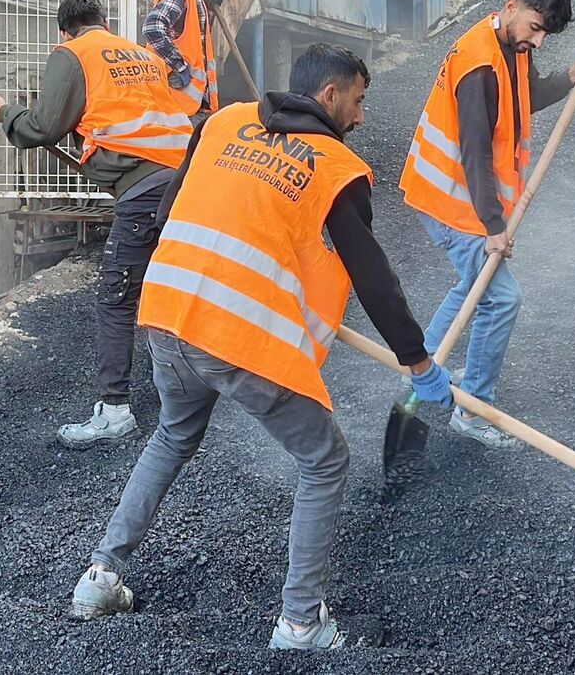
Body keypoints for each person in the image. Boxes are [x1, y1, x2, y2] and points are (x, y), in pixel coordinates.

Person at [66, 44, 454, 652]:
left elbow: (173, 209)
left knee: (172, 434)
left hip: (167, 312)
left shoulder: (222, 122)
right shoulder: (334, 165)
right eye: (358, 100)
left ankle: (100, 576)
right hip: (236, 334)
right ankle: (301, 622)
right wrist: (419, 361)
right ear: (330, 95)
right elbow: (373, 276)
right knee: (325, 461)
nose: (360, 116)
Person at [0, 0, 193, 448]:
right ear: (106, 22)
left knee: (117, 296)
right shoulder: (141, 54)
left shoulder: (72, 54)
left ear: (63, 31)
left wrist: (3, 112)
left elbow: (42, 126)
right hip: (187, 182)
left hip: (143, 190)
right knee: (176, 286)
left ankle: (114, 411)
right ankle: (196, 389)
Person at [399, 0, 575, 448]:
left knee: (478, 284)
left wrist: (571, 76)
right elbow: (474, 151)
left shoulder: (509, 46)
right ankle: (473, 410)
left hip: (460, 197)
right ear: (511, 7)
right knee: (501, 297)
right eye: (536, 27)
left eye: (546, 35)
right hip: (454, 202)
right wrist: (493, 225)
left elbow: (524, 98)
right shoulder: (478, 65)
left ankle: (423, 363)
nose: (538, 41)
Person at [143, 0, 226, 119]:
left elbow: (195, 41)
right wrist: (179, 66)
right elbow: (153, 27)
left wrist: (208, 7)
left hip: (193, 106)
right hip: (178, 105)